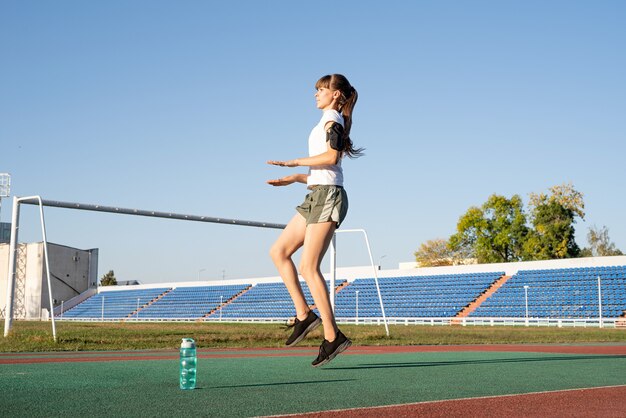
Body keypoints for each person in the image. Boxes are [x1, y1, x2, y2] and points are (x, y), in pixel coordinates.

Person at [267, 74, 363, 367]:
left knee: (309, 267)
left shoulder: (333, 119)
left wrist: (294, 162)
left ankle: (333, 337)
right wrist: (296, 178)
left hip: (328, 197)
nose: (315, 94)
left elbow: (332, 157)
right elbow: (325, 169)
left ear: (336, 95)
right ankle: (304, 315)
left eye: (321, 90)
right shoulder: (327, 121)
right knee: (278, 252)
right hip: (316, 195)